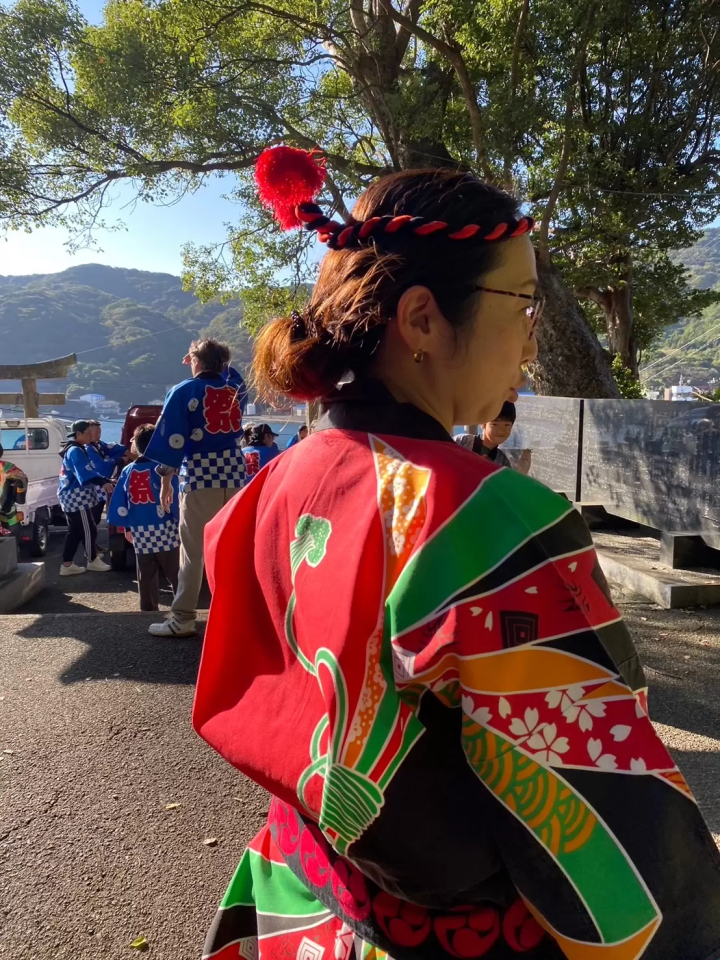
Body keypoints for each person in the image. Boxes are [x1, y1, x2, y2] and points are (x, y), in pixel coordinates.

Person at [193, 162, 720, 960]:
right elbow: (609, 828)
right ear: (423, 320)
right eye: (522, 304)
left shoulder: (272, 486)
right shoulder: (488, 522)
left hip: (302, 899)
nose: (531, 337)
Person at [144, 338, 246, 637]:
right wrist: (208, 358)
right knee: (233, 548)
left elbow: (173, 438)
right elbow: (233, 374)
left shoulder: (183, 391)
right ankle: (237, 614)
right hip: (236, 473)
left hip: (201, 474)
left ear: (195, 361)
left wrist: (165, 477)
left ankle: (183, 617)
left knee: (193, 551)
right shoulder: (235, 389)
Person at [107, 424, 180, 612]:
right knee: (175, 572)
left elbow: (121, 502)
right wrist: (181, 521)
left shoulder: (128, 470)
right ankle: (182, 609)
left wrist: (126, 527)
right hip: (165, 528)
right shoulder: (163, 469)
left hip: (140, 529)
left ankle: (148, 611)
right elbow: (175, 501)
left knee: (146, 574)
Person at [57, 420, 113, 576]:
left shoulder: (76, 449)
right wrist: (103, 482)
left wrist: (105, 480)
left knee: (74, 531)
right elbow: (85, 473)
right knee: (89, 529)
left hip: (70, 496)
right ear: (78, 434)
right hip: (76, 497)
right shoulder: (75, 450)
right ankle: (92, 560)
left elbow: (89, 471)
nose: (91, 435)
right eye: (88, 432)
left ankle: (67, 565)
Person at [455, 401, 532, 473]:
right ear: (482, 423)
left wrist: (521, 472)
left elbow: (503, 486)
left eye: (507, 425)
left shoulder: (503, 461)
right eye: (495, 424)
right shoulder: (462, 441)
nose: (501, 430)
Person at [86, 420, 127, 527]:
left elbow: (112, 447)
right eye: (96, 433)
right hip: (94, 487)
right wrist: (120, 460)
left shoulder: (99, 445)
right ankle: (89, 542)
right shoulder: (88, 449)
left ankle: (92, 541)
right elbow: (101, 465)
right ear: (88, 433)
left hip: (102, 485)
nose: (99, 435)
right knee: (93, 517)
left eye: (100, 432)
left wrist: (126, 449)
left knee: (96, 516)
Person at [0, 444, 28, 537]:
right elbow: (22, 480)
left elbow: (22, 480)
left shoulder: (8, 468)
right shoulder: (9, 468)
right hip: (8, 521)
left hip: (7, 521)